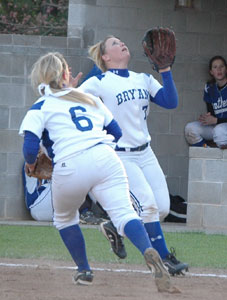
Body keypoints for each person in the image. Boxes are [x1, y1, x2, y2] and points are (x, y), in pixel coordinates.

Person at [19, 52, 178, 293]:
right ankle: (148, 250)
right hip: (106, 157)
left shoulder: (40, 106)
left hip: (69, 165)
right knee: (125, 213)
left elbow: (30, 147)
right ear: (66, 75)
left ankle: (84, 270)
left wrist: (32, 164)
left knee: (64, 218)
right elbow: (115, 131)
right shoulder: (87, 98)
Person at [79, 35, 189, 275]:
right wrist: (68, 90)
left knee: (161, 208)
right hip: (120, 156)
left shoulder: (144, 79)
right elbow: (73, 102)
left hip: (145, 153)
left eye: (121, 41)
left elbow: (170, 102)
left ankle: (117, 226)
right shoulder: (99, 81)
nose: (122, 43)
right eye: (115, 43)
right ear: (106, 57)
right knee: (148, 206)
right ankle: (164, 259)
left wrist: (165, 70)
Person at [185, 55, 227, 148]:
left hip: (222, 129)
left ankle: (221, 158)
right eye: (215, 67)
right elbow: (211, 112)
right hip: (217, 127)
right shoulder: (209, 87)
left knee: (219, 131)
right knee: (190, 129)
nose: (219, 70)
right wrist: (207, 118)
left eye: (221, 66)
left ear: (226, 69)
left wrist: (216, 120)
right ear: (211, 72)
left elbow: (216, 120)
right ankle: (207, 150)